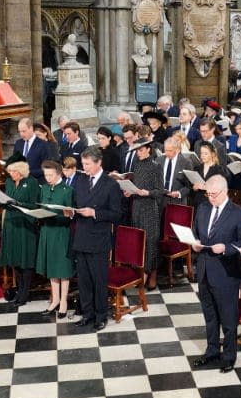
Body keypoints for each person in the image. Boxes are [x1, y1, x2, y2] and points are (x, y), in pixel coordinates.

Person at [191, 175, 241, 373]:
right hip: (205, 270)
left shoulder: (238, 213)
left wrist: (226, 247)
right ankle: (212, 351)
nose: (210, 198)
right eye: (208, 194)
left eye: (214, 195)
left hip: (226, 273)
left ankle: (229, 355)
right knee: (210, 315)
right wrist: (195, 244)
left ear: (225, 192)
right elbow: (196, 233)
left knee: (228, 317)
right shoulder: (203, 208)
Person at [70, 146, 125, 330]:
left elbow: (117, 214)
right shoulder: (80, 181)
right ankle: (88, 314)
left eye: (87, 164)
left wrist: (95, 212)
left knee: (99, 280)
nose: (84, 168)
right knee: (84, 280)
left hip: (99, 239)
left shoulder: (111, 184)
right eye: (83, 164)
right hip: (81, 237)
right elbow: (75, 203)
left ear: (98, 162)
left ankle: (101, 315)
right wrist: (70, 211)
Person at [0, 156, 40, 309]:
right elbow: (6, 198)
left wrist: (18, 204)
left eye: (14, 171)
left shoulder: (32, 182)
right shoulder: (9, 182)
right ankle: (19, 289)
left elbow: (35, 205)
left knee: (25, 258)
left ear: (21, 170)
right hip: (11, 223)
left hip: (25, 225)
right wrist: (0, 202)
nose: (11, 174)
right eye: (9, 171)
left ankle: (25, 292)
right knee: (15, 258)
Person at [124, 138, 164, 290]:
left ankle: (150, 274)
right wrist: (130, 191)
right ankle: (142, 272)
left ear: (148, 149)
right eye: (137, 151)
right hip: (137, 207)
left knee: (150, 243)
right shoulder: (137, 165)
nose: (138, 153)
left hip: (149, 208)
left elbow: (160, 191)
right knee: (139, 242)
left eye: (140, 150)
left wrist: (148, 193)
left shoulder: (156, 166)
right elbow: (137, 186)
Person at [35, 160, 74, 319]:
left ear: (59, 174)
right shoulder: (43, 188)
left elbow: (70, 215)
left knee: (62, 268)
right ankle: (55, 299)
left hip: (61, 232)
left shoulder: (67, 190)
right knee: (51, 267)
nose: (48, 178)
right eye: (45, 175)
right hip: (46, 231)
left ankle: (64, 301)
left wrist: (59, 216)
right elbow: (41, 206)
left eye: (50, 175)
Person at [14, 118, 50, 182]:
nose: (21, 134)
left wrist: (28, 173)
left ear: (31, 128)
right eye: (19, 131)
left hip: (36, 183)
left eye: (23, 131)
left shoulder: (43, 145)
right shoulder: (18, 143)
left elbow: (46, 168)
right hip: (20, 182)